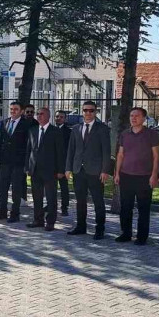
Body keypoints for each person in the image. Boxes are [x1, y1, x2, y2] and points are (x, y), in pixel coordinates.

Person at [65, 101, 111, 239]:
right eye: (85, 110)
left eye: (91, 110)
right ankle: (81, 226)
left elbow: (106, 152)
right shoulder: (76, 128)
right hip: (79, 170)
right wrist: (68, 168)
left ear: (95, 112)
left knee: (98, 201)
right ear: (82, 111)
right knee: (80, 201)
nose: (88, 113)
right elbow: (71, 150)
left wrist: (105, 170)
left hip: (96, 171)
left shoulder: (102, 129)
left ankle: (100, 229)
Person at [114, 107, 159, 245]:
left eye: (137, 116)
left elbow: (156, 156)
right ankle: (126, 233)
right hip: (126, 176)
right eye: (131, 115)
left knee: (143, 208)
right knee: (125, 207)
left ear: (144, 118)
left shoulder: (151, 134)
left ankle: (142, 237)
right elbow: (120, 154)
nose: (133, 118)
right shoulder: (125, 134)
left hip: (144, 177)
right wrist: (117, 173)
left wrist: (154, 175)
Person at [25, 108, 65, 231]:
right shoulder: (32, 130)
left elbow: (60, 152)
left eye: (41, 114)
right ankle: (38, 220)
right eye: (38, 114)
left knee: (51, 197)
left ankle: (50, 222)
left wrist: (60, 170)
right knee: (36, 197)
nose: (39, 116)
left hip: (50, 170)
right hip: (35, 169)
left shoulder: (55, 132)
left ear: (48, 116)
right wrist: (27, 167)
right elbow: (28, 150)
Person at [0, 102, 31, 222]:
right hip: (4, 161)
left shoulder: (26, 125)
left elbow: (28, 145)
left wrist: (26, 163)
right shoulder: (4, 122)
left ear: (21, 111)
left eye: (16, 109)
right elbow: (0, 142)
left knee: (16, 189)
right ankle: (2, 211)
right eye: (11, 109)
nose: (13, 111)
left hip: (18, 162)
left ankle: (15, 214)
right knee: (2, 187)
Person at [54, 111, 71, 215]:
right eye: (57, 116)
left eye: (61, 117)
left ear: (65, 119)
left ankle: (64, 207)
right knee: (51, 187)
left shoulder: (69, 132)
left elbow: (69, 150)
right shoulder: (50, 130)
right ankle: (51, 205)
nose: (58, 118)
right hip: (51, 163)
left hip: (64, 164)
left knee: (64, 187)